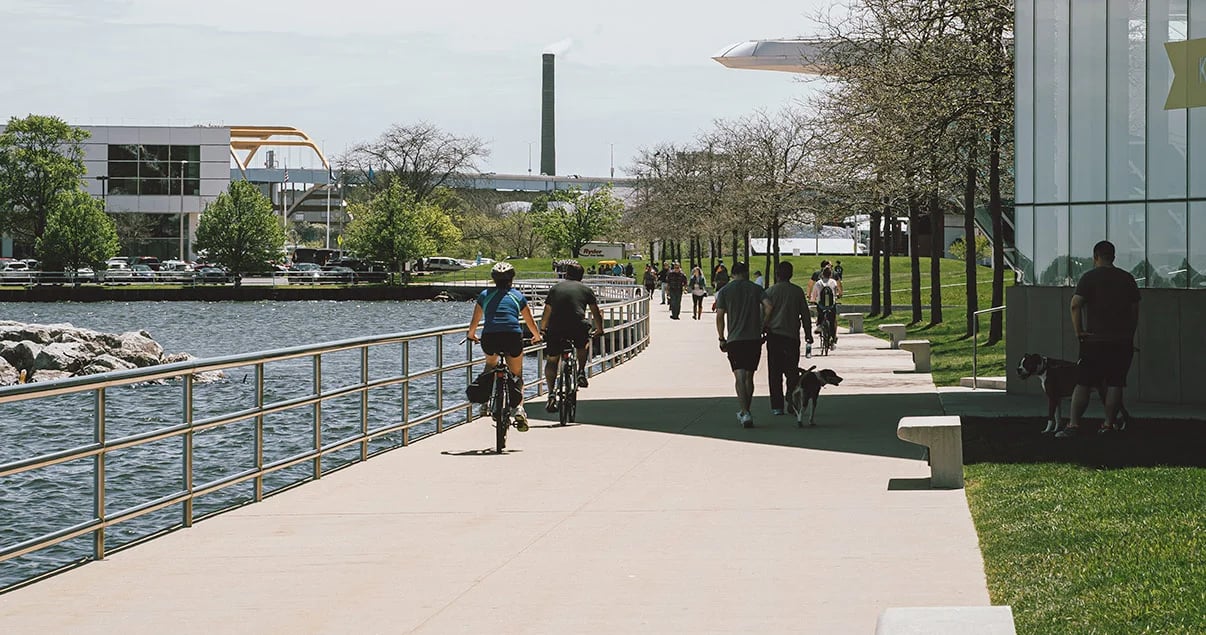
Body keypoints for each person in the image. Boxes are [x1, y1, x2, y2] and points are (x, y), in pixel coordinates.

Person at [1056, 240, 1140, 438]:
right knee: (1115, 383)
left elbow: (1075, 305)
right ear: (1113, 256)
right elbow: (1135, 310)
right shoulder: (1127, 279)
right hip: (1120, 341)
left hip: (1094, 341)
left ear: (1096, 257)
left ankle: (1073, 425)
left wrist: (1079, 331)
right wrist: (1129, 334)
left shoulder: (1089, 278)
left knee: (1083, 383)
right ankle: (1108, 425)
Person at [466, 262, 543, 431]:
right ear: (512, 279)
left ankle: (485, 403)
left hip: (490, 337)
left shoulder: (485, 295)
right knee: (516, 374)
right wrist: (537, 336)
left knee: (490, 365)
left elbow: (476, 319)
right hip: (512, 336)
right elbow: (529, 321)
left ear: (493, 279)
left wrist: (471, 334)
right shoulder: (517, 296)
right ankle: (519, 409)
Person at [540, 261, 605, 413]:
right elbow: (596, 312)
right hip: (577, 325)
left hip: (556, 327)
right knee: (582, 344)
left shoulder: (555, 289)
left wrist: (542, 329)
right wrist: (600, 329)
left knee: (552, 359)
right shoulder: (586, 290)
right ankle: (581, 371)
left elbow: (547, 311)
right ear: (581, 276)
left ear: (566, 274)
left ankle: (550, 394)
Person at [715, 262, 772, 428]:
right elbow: (769, 306)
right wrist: (763, 325)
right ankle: (747, 410)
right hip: (753, 338)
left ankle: (745, 412)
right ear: (746, 273)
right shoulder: (755, 289)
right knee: (749, 377)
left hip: (735, 339)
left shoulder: (725, 291)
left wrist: (721, 337)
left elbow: (719, 315)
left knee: (739, 376)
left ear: (732, 274)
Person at [764, 261, 813, 416]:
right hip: (791, 337)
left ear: (777, 274)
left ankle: (777, 406)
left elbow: (764, 314)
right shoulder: (797, 292)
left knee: (775, 372)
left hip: (774, 336)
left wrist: (762, 329)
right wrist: (808, 333)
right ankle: (791, 398)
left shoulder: (770, 292)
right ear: (791, 274)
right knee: (792, 371)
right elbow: (805, 314)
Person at [809, 266, 841, 348]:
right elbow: (836, 292)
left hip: (821, 305)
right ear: (830, 275)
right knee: (833, 320)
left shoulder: (818, 283)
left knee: (820, 312)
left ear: (822, 274)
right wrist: (837, 296)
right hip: (831, 305)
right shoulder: (833, 282)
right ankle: (833, 339)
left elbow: (814, 294)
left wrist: (812, 300)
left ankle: (819, 325)